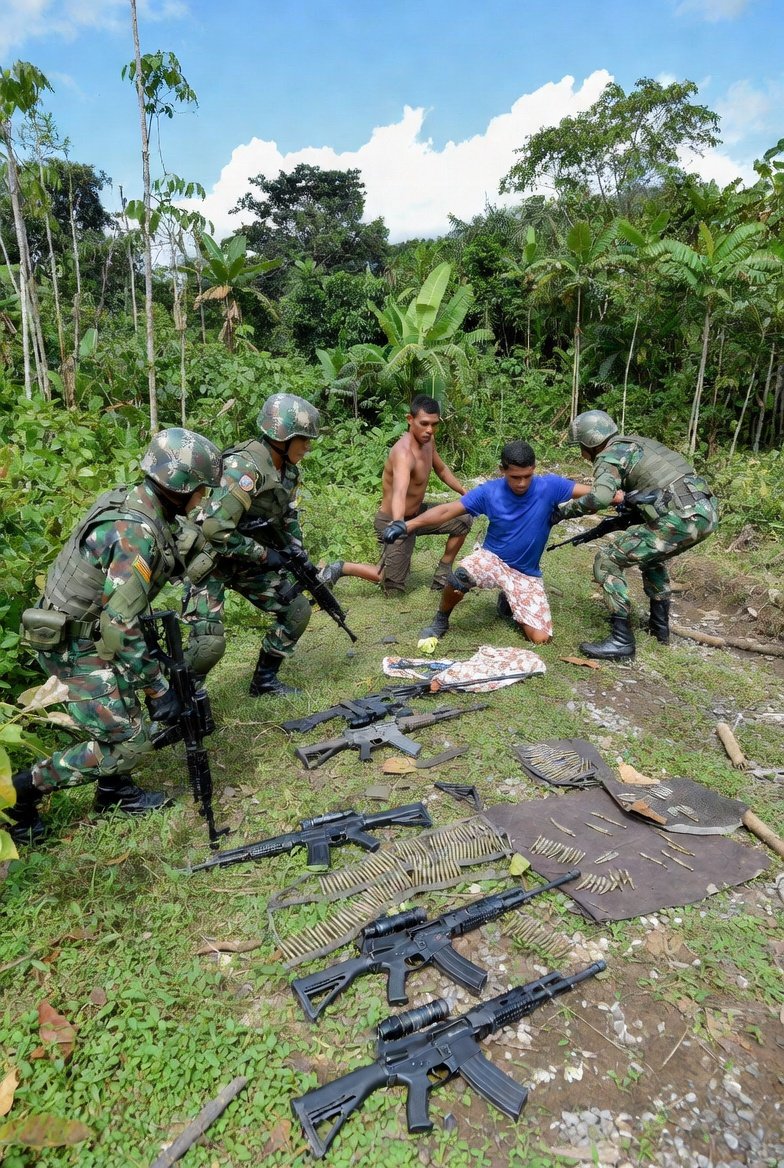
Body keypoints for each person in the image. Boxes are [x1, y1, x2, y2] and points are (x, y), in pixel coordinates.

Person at [7, 428, 223, 844]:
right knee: (130, 743)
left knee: (127, 717)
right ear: (179, 488)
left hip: (90, 634)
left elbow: (177, 556)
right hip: (74, 646)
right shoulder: (135, 533)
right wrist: (160, 689)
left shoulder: (138, 502)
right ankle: (20, 792)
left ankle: (114, 792)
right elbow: (120, 626)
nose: (202, 499)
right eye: (200, 489)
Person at [383, 439, 592, 646]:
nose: (521, 483)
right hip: (493, 559)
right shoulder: (489, 492)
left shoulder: (550, 486)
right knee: (460, 578)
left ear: (534, 469)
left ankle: (508, 602)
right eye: (515, 477)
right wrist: (407, 525)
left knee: (540, 639)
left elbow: (595, 494)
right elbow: (448, 510)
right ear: (502, 470)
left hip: (525, 573)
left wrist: (619, 497)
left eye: (527, 476)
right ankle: (441, 620)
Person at [182, 392, 320, 697]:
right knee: (208, 644)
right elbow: (215, 529)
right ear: (282, 438)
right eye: (303, 439)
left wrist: (296, 550)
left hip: (249, 560)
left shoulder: (288, 472)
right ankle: (180, 703)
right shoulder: (243, 468)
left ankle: (265, 681)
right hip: (213, 562)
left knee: (297, 610)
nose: (308, 446)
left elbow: (287, 515)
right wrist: (263, 554)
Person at [553, 409, 719, 660]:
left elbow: (599, 497)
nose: (581, 454)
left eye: (581, 448)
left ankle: (621, 641)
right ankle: (659, 629)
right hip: (706, 511)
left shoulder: (608, 456)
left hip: (682, 517)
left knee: (608, 559)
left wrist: (563, 512)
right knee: (651, 556)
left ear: (590, 443)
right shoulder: (635, 444)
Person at [319, 394, 473, 594]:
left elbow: (442, 470)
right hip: (393, 522)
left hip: (417, 515)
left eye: (434, 424)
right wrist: (400, 523)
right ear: (410, 420)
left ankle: (443, 573)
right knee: (392, 587)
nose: (429, 430)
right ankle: (340, 567)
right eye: (424, 423)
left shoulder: (429, 441)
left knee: (463, 517)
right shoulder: (403, 453)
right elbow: (399, 492)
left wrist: (465, 493)